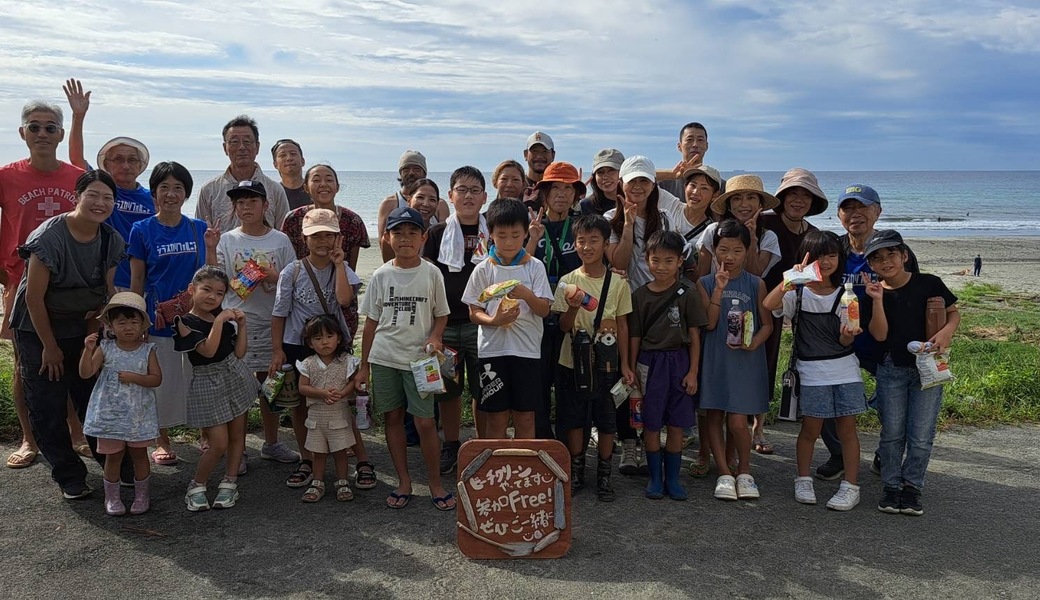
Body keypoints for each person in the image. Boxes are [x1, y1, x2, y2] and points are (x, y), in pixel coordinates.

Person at [9, 170, 125, 499]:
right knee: (47, 402)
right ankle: (68, 474)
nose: (100, 203)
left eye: (108, 198)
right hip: (38, 327)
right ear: (77, 196)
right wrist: (49, 347)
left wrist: (94, 339)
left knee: (93, 396)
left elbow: (107, 292)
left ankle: (112, 463)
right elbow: (33, 297)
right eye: (93, 195)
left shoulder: (111, 239)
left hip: (82, 324)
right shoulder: (49, 236)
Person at [815, 184, 920, 481]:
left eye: (863, 206)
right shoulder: (833, 249)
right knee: (827, 398)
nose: (855, 214)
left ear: (878, 211)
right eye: (848, 207)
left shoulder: (894, 250)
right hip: (841, 340)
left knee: (892, 404)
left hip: (884, 339)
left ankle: (885, 454)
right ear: (838, 214)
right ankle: (838, 455)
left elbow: (912, 292)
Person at [1, 98, 84, 469]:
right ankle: (29, 437)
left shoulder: (74, 176)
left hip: (69, 287)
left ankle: (77, 432)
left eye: (50, 127)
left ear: (61, 134)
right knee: (26, 365)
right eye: (34, 126)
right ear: (22, 133)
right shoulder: (7, 176)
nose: (42, 133)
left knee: (71, 359)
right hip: (21, 284)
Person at [271, 208, 376, 492]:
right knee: (301, 405)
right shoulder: (292, 271)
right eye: (315, 235)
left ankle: (362, 459)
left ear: (338, 238)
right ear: (304, 239)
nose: (322, 241)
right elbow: (279, 313)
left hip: (334, 344)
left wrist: (340, 264)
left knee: (341, 403)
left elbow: (343, 299)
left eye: (329, 235)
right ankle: (307, 459)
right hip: (298, 344)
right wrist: (277, 349)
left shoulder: (342, 269)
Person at [356, 207, 453, 511]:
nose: (405, 238)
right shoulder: (382, 274)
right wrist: (364, 366)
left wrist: (436, 336)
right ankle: (404, 481)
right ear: (386, 237)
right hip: (385, 357)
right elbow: (371, 322)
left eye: (413, 232)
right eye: (398, 232)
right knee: (393, 418)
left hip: (420, 361)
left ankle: (435, 482)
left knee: (425, 422)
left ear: (424, 237)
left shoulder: (431, 272)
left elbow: (442, 314)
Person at [762, 231, 865, 511]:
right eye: (818, 257)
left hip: (846, 370)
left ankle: (851, 486)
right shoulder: (798, 293)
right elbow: (769, 305)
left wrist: (848, 335)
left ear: (840, 258)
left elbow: (845, 339)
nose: (826, 261)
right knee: (810, 429)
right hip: (811, 373)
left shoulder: (846, 295)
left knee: (847, 431)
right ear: (806, 259)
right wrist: (790, 279)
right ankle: (803, 479)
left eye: (832, 255)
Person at [861, 230, 959, 516]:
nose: (886, 261)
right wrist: (877, 300)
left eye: (891, 254)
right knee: (892, 433)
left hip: (928, 367)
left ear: (904, 255)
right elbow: (879, 336)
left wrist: (946, 334)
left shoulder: (929, 283)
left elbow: (953, 313)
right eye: (877, 258)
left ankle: (912, 487)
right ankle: (891, 487)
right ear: (870, 265)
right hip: (891, 368)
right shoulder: (872, 294)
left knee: (921, 434)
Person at [129, 162, 212, 467]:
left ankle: (205, 433)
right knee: (160, 379)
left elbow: (208, 275)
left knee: (198, 376)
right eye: (164, 187)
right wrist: (138, 319)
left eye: (178, 187)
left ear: (186, 193)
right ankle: (161, 439)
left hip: (195, 318)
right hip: (159, 318)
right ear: (154, 193)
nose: (171, 194)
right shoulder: (142, 230)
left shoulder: (198, 228)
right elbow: (137, 279)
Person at [605, 155, 681, 475]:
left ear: (653, 186)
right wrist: (627, 225)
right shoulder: (610, 217)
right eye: (632, 180)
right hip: (624, 306)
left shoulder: (665, 219)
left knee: (655, 376)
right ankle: (629, 443)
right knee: (625, 375)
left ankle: (656, 439)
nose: (637, 186)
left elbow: (674, 261)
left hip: (658, 307)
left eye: (644, 181)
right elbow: (619, 263)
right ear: (621, 184)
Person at [696, 174, 783, 455]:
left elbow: (756, 274)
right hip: (714, 311)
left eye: (750, 198)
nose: (744, 203)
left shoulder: (768, 236)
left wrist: (753, 238)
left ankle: (736, 457)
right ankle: (705, 455)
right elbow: (701, 272)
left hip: (746, 319)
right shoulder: (712, 232)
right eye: (737, 198)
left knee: (736, 406)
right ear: (728, 203)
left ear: (760, 202)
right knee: (711, 404)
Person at [216, 180, 301, 465]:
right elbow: (217, 280)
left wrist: (274, 276)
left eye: (252, 201)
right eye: (240, 202)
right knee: (237, 389)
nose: (245, 207)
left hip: (272, 325)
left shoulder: (280, 240)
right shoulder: (227, 240)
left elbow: (294, 281)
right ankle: (237, 451)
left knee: (270, 386)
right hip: (238, 324)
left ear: (266, 205)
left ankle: (272, 442)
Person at [551, 215, 633, 502]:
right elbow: (562, 326)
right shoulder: (567, 281)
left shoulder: (618, 282)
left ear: (605, 244)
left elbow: (623, 325)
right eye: (581, 241)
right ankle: (576, 471)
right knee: (573, 419)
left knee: (606, 420)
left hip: (607, 363)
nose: (586, 247)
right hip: (571, 361)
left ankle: (604, 475)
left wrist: (625, 365)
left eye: (594, 241)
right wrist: (573, 309)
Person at [462, 199, 553, 440]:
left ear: (526, 233)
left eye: (516, 234)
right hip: (493, 351)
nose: (509, 242)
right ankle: (498, 471)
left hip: (527, 352)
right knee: (497, 417)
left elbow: (544, 310)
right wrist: (495, 320)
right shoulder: (483, 269)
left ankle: (523, 468)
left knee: (525, 417)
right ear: (490, 234)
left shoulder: (535, 267)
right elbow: (473, 311)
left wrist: (527, 295)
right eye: (502, 235)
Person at [697, 219, 773, 501]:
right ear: (714, 250)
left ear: (747, 250)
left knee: (739, 421)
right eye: (723, 250)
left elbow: (767, 324)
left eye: (737, 251)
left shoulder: (756, 283)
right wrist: (718, 288)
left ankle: (744, 470)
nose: (729, 257)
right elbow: (709, 323)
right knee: (714, 415)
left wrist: (755, 343)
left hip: (745, 361)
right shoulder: (703, 283)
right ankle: (723, 473)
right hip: (716, 358)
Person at [630, 230, 708, 501]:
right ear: (646, 260)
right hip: (649, 363)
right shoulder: (640, 295)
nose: (661, 267)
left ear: (679, 261)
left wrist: (693, 372)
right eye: (655, 260)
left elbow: (695, 336)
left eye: (668, 261)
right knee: (651, 424)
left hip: (679, 361)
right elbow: (635, 336)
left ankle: (673, 479)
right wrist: (631, 369)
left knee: (676, 425)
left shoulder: (687, 293)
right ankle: (655, 478)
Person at [174, 266, 259, 512]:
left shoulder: (221, 318)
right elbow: (208, 351)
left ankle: (230, 482)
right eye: (206, 290)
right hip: (207, 381)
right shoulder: (184, 322)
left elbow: (240, 353)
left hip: (234, 374)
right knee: (218, 442)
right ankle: (197, 485)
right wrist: (221, 320)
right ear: (192, 290)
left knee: (237, 435)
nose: (212, 297)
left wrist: (242, 325)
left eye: (219, 293)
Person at [423, 166, 488, 465]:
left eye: (475, 190)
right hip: (446, 326)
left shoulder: (493, 231)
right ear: (450, 196)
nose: (468, 196)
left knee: (483, 388)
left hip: (483, 326)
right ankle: (451, 443)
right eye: (462, 190)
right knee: (447, 391)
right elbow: (426, 277)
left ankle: (482, 443)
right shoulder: (436, 234)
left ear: (485, 197)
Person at [759, 168, 828, 452]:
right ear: (782, 197)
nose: (798, 201)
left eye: (805, 196)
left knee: (769, 363)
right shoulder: (763, 222)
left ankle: (758, 428)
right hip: (758, 300)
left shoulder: (813, 234)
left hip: (794, 308)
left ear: (812, 202)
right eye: (793, 194)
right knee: (749, 360)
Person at [78, 292, 161, 515]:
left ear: (143, 325)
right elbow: (86, 373)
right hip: (110, 415)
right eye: (121, 322)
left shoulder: (148, 350)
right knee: (112, 456)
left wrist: (135, 378)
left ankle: (142, 496)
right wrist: (88, 351)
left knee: (139, 455)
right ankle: (112, 498)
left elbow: (156, 379)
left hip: (138, 415)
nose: (128, 327)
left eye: (134, 322)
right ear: (111, 326)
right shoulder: (105, 348)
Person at [280, 164, 370, 347]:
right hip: (302, 302)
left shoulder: (352, 221)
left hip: (338, 301)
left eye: (329, 180)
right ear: (305, 187)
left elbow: (350, 265)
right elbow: (289, 260)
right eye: (316, 180)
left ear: (337, 186)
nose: (323, 184)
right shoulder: (293, 219)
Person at [526, 161, 585, 439]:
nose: (562, 194)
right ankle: (541, 442)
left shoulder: (581, 229)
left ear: (576, 195)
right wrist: (531, 237)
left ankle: (568, 447)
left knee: (568, 383)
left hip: (570, 316)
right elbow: (517, 267)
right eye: (555, 188)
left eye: (568, 188)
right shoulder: (530, 227)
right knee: (536, 384)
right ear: (544, 193)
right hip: (535, 316)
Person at [296, 315, 362, 503]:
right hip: (316, 417)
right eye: (318, 338)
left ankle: (343, 481)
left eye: (329, 336)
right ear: (310, 343)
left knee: (341, 450)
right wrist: (322, 393)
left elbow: (352, 383)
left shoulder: (346, 361)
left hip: (339, 415)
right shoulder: (307, 363)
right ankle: (317, 482)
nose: (324, 342)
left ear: (339, 338)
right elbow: (303, 387)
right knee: (319, 452)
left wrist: (342, 394)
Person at [195, 115, 290, 232]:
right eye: (234, 142)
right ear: (225, 148)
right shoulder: (209, 190)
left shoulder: (275, 190)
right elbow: (200, 235)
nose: (241, 147)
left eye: (247, 141)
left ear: (257, 147)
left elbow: (284, 234)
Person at [375, 151, 449, 262]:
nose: (411, 173)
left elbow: (446, 241)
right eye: (406, 169)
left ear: (424, 173)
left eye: (416, 169)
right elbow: (384, 241)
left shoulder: (440, 205)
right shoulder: (390, 203)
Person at [656, 122, 723, 200]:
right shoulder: (664, 184)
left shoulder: (718, 185)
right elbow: (642, 175)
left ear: (706, 146)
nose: (695, 144)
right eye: (690, 140)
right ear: (679, 146)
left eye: (700, 140)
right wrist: (673, 175)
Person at [580, 149, 624, 216]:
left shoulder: (637, 202)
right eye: (600, 172)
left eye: (611, 170)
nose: (605, 177)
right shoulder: (585, 206)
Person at [271, 139, 311, 210]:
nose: (289, 158)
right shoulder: (273, 192)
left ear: (303, 161)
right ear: (275, 164)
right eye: (282, 155)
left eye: (293, 154)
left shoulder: (313, 189)